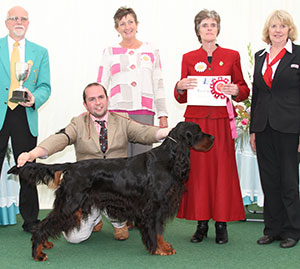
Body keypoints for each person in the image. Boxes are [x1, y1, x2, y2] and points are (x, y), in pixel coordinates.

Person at [17, 82, 170, 244]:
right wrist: (32, 154)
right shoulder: (78, 123)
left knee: (132, 196)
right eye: (92, 99)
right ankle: (94, 216)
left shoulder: (122, 120)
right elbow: (59, 139)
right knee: (74, 238)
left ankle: (119, 221)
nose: (97, 102)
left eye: (100, 97)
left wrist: (165, 132)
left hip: (118, 189)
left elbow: (144, 132)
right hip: (89, 186)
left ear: (107, 99)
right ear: (85, 104)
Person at [174, 9, 249, 244]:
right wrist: (180, 86)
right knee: (198, 173)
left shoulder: (232, 55)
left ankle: (221, 224)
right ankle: (201, 224)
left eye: (213, 24)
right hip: (195, 126)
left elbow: (243, 89)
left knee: (222, 172)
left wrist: (237, 91)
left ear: (218, 29)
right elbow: (181, 97)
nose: (209, 28)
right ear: (198, 30)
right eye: (204, 24)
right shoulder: (188, 57)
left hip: (220, 123)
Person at [250, 10, 300, 248]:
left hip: (291, 128)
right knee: (269, 180)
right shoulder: (260, 56)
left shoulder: (298, 54)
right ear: (267, 30)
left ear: (289, 30)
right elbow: (257, 94)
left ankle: (292, 230)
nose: (278, 30)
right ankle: (273, 229)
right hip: (263, 127)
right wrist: (252, 129)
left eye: (282, 26)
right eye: (273, 26)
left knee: (289, 180)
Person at [0, 6, 51, 232]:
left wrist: (34, 98)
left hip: (25, 114)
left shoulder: (40, 52)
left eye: (23, 18)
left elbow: (45, 87)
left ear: (28, 23)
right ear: (7, 22)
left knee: (28, 168)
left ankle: (31, 220)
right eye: (14, 18)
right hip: (2, 112)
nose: (19, 21)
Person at [97, 6, 168, 158]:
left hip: (144, 111)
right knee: (118, 162)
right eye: (122, 24)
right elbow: (101, 85)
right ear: (117, 28)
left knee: (143, 164)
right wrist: (99, 113)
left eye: (130, 22)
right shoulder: (109, 52)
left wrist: (163, 114)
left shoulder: (151, 50)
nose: (127, 27)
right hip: (118, 113)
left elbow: (158, 83)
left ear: (137, 24)